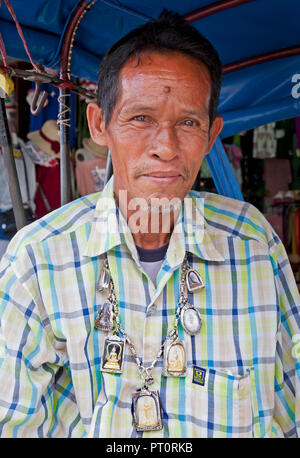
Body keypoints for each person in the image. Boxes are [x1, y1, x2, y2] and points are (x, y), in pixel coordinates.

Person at [0, 10, 299, 439]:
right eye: (141, 118)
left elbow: (291, 407)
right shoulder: (37, 261)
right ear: (100, 124)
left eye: (189, 123)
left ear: (213, 134)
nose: (166, 147)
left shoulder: (253, 244)